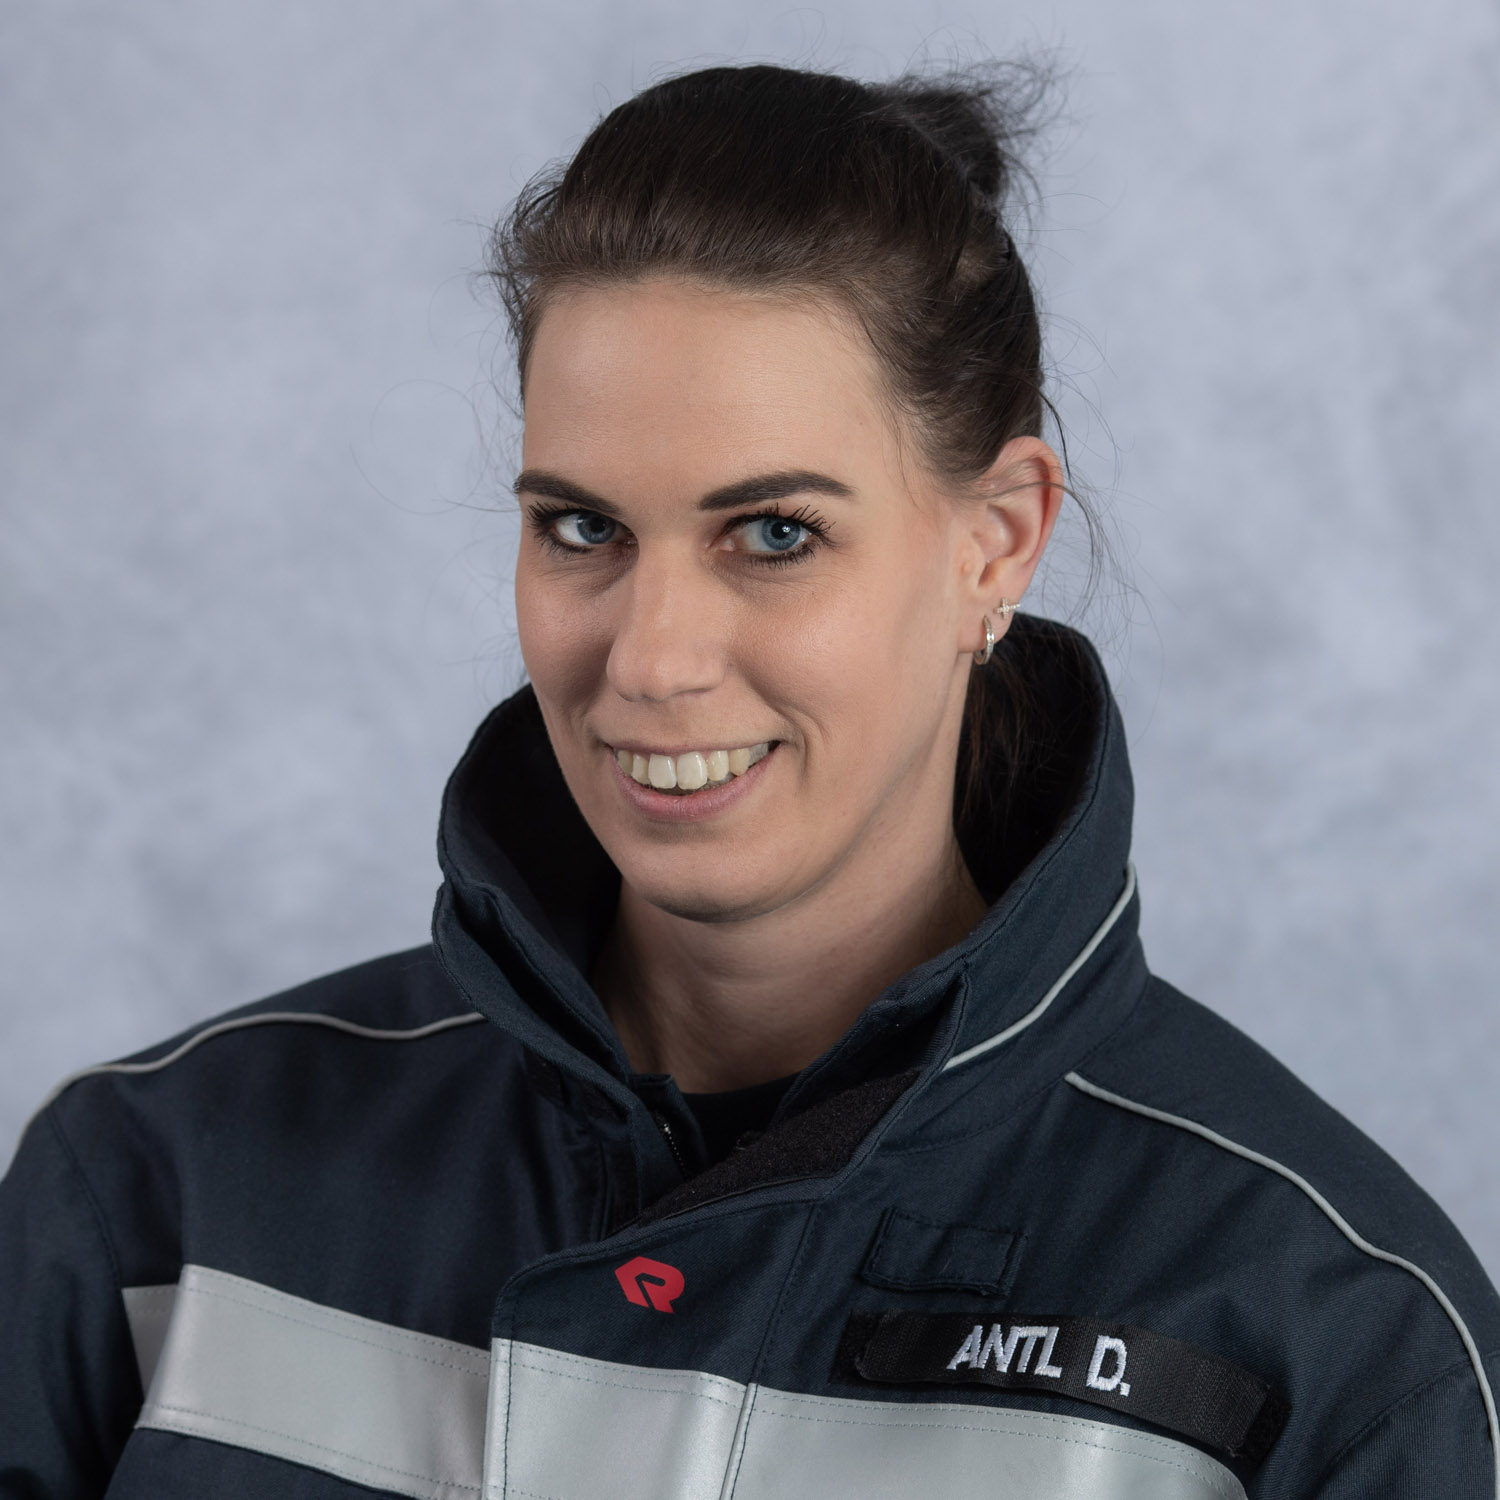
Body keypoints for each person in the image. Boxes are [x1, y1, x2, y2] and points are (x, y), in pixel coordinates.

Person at [1, 60, 1496, 1500]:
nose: (652, 658)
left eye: (775, 534)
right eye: (583, 529)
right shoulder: (148, 1196)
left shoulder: (1339, 1343)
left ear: (997, 543)